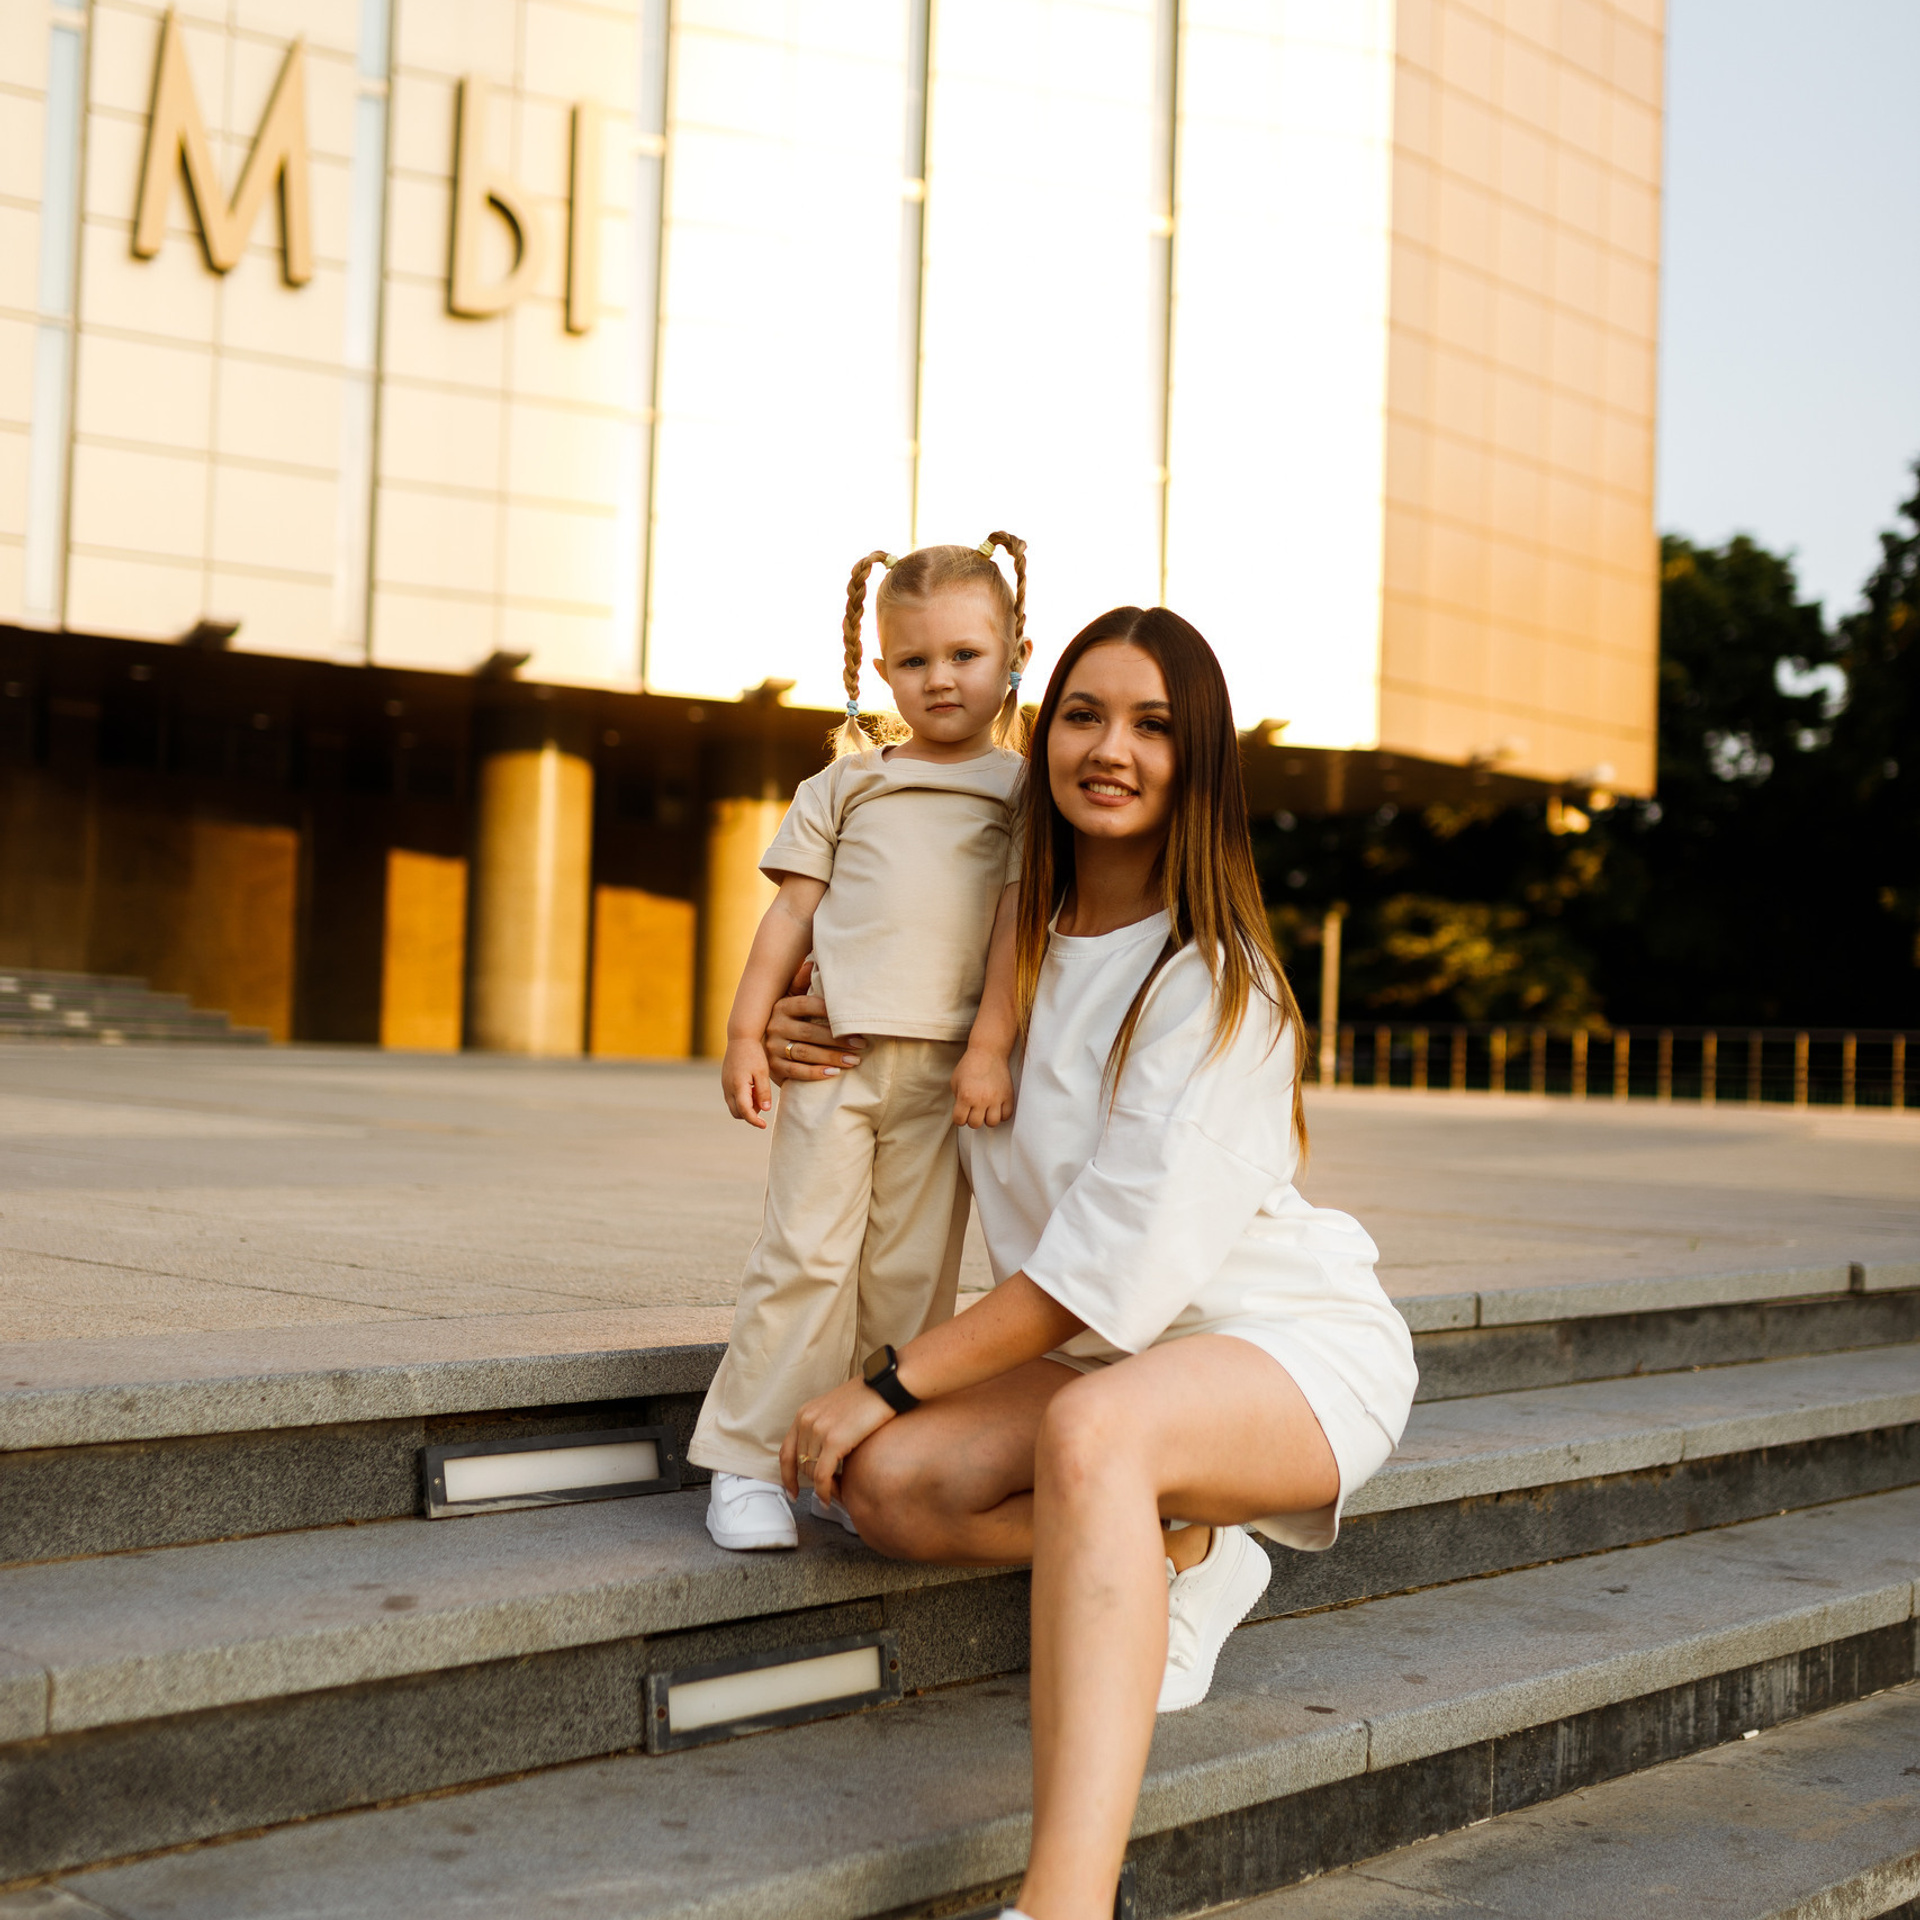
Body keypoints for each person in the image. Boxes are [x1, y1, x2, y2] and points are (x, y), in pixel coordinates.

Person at [770, 606, 1419, 1920]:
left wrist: (888, 1377)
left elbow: (1101, 1277)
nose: (1108, 748)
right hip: (1106, 1358)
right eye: (1081, 713)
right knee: (889, 1490)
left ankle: (1062, 1905)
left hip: (1282, 1347)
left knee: (1088, 1435)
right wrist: (799, 1029)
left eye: (1152, 725)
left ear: (1201, 765)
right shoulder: (995, 951)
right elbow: (872, 1019)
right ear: (1038, 733)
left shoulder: (1214, 981)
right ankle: (1185, 1553)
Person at [688, 535, 1033, 1551]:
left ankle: (849, 1455)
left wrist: (989, 1047)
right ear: (880, 668)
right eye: (916, 660)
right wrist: (746, 1031)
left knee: (908, 1278)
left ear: (1014, 653)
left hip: (944, 1075)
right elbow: (789, 921)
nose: (941, 680)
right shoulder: (844, 786)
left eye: (965, 656)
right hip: (834, 1061)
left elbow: (1014, 932)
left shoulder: (1019, 793)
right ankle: (747, 1461)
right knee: (803, 1256)